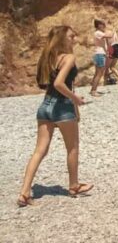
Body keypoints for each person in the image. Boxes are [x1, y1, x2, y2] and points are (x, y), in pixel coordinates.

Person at [18, 26, 92, 206]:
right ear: (62, 39)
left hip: (45, 106)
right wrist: (76, 100)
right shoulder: (69, 58)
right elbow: (60, 83)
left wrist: (76, 109)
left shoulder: (48, 58)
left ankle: (25, 192)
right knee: (72, 148)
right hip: (62, 107)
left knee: (40, 150)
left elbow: (54, 85)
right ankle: (74, 185)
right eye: (71, 36)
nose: (75, 39)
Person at [89, 19, 114, 98]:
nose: (104, 26)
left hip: (99, 54)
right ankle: (94, 91)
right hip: (100, 54)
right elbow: (110, 35)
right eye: (102, 24)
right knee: (99, 74)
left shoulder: (99, 33)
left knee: (97, 73)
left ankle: (92, 89)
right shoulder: (98, 33)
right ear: (99, 25)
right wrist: (112, 28)